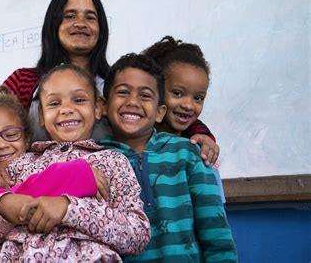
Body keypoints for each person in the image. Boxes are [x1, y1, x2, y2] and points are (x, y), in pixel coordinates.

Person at [0, 0, 217, 203]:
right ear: (54, 25)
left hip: (103, 200)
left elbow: (154, 113)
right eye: (69, 16)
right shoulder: (24, 81)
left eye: (90, 17)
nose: (80, 24)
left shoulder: (114, 83)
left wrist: (199, 133)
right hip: (36, 200)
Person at [0, 64, 150, 261]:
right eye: (54, 103)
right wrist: (3, 205)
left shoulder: (113, 162)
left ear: (98, 108)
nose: (66, 109)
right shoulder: (18, 164)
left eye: (79, 100)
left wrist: (68, 209)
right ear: (40, 116)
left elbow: (137, 235)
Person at [99, 53, 238, 261]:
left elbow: (217, 237)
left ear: (160, 112)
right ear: (102, 106)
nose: (133, 102)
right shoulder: (94, 161)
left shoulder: (189, 154)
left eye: (145, 95)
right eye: (123, 92)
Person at [0, 86, 109, 263]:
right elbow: (19, 201)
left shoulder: (40, 164)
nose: (0, 145)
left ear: (27, 137)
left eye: (11, 134)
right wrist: (77, 175)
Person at [142, 36, 225, 201]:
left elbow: (215, 213)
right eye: (178, 93)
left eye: (199, 98)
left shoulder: (201, 153)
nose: (188, 105)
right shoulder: (135, 142)